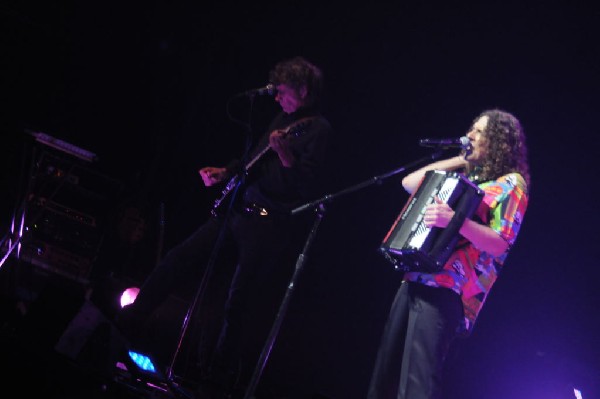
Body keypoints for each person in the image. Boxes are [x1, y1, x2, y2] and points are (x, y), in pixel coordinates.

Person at [115, 56, 332, 398]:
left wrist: (287, 154)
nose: (277, 98)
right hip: (236, 211)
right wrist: (226, 172)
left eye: (284, 92)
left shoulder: (317, 129)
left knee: (237, 303)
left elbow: (306, 187)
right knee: (177, 259)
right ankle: (127, 324)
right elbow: (254, 161)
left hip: (266, 225)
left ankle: (215, 382)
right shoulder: (283, 119)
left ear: (303, 91)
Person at [367, 109, 530, 399]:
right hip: (415, 277)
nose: (470, 136)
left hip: (450, 289)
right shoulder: (469, 177)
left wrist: (455, 220)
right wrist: (461, 159)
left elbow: (500, 243)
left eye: (478, 132)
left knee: (418, 385)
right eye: (472, 129)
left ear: (498, 141)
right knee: (385, 380)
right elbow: (409, 183)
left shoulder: (511, 184)